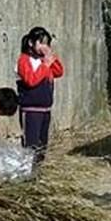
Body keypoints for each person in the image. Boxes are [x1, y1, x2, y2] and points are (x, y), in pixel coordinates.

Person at [16, 27, 64, 160]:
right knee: (31, 145)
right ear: (31, 43)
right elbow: (31, 80)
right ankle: (28, 172)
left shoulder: (44, 62)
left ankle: (38, 170)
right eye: (41, 43)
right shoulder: (24, 60)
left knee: (42, 145)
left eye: (47, 44)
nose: (44, 47)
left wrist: (52, 58)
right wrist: (45, 65)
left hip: (45, 109)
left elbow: (59, 72)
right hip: (31, 110)